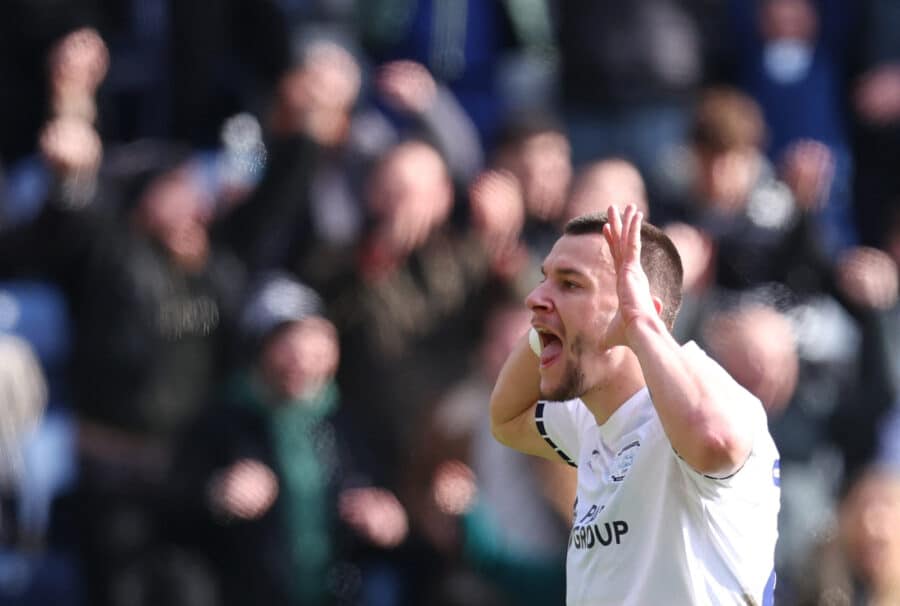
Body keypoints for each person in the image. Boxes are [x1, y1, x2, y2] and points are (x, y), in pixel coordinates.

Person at [489, 204, 781, 604]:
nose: (534, 297)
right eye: (544, 281)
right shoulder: (590, 420)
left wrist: (642, 324)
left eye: (570, 284)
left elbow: (714, 442)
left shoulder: (710, 388)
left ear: (638, 307)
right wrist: (548, 323)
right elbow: (505, 417)